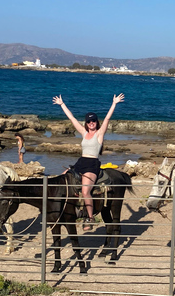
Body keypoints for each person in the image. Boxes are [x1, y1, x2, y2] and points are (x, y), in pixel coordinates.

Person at [53, 93, 124, 230]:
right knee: (62, 178)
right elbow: (72, 119)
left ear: (97, 123)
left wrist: (114, 103)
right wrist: (62, 105)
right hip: (80, 162)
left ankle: (90, 218)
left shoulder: (99, 134)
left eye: (94, 121)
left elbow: (108, 118)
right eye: (89, 122)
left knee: (86, 191)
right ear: (86, 123)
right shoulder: (84, 133)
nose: (91, 123)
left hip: (92, 164)